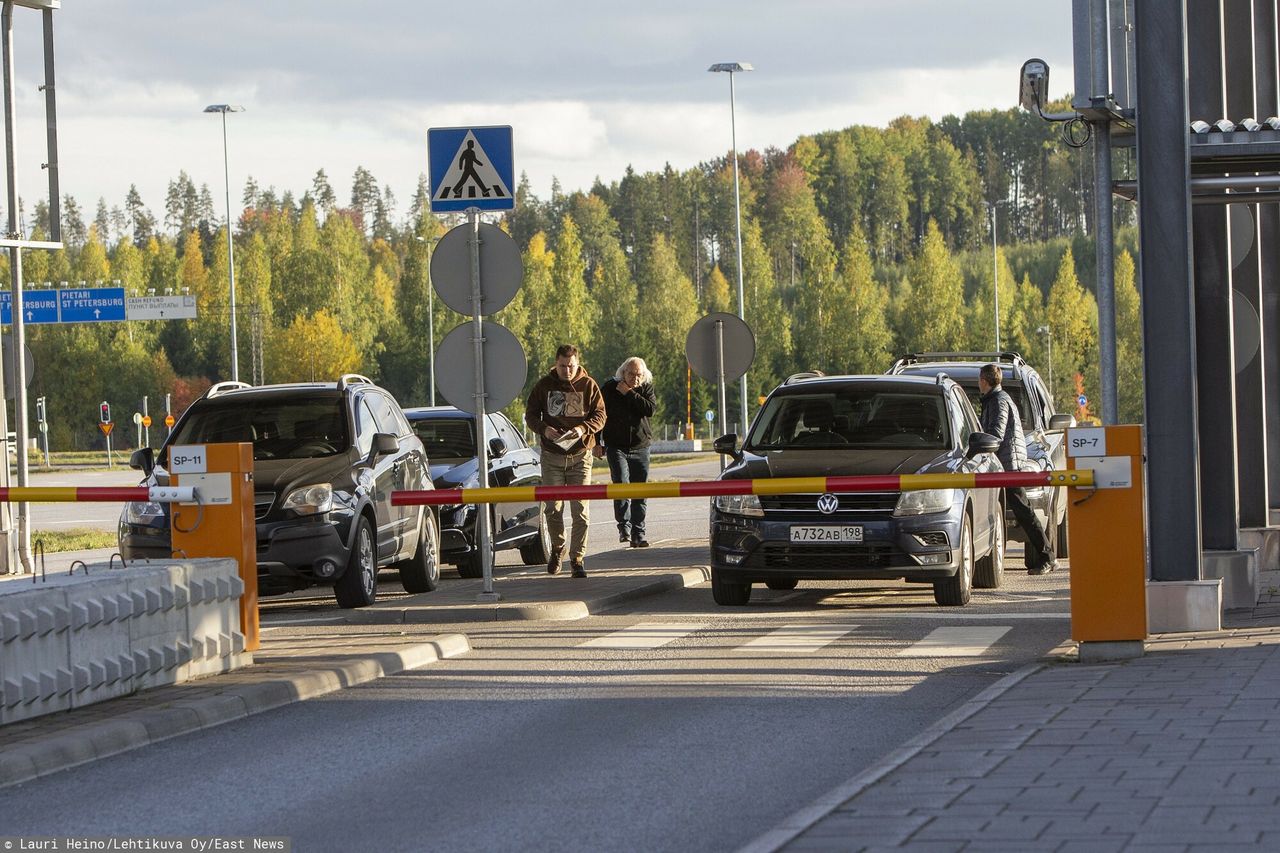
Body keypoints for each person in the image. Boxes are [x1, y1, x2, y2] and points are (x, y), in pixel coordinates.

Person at [524, 344, 607, 578]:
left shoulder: (588, 385)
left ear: (577, 363)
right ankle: (557, 548)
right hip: (552, 456)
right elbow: (530, 414)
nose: (567, 370)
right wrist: (544, 429)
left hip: (581, 456)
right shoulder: (544, 386)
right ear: (556, 363)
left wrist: (583, 429)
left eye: (571, 366)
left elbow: (600, 415)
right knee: (553, 508)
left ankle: (577, 558)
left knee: (580, 510)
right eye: (562, 366)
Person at [978, 363, 1055, 575]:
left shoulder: (998, 401)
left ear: (984, 381)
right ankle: (1046, 556)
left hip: (1008, 464)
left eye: (979, 380)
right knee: (1021, 511)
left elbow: (996, 433)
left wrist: (978, 443)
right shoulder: (995, 399)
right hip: (1007, 462)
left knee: (1023, 511)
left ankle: (1046, 556)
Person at [596, 356, 657, 548]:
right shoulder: (608, 388)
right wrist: (597, 442)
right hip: (616, 446)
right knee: (621, 484)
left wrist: (630, 393)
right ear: (623, 373)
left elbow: (649, 410)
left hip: (641, 446)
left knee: (640, 490)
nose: (635, 378)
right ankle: (624, 527)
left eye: (639, 375)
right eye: (631, 374)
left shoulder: (645, 388)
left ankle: (639, 533)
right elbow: (598, 415)